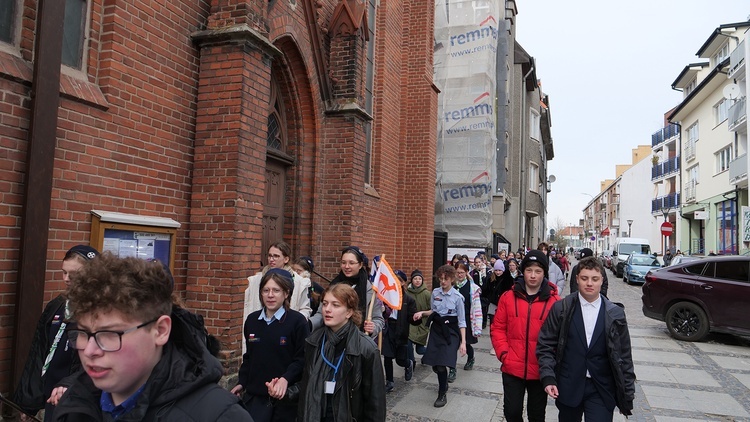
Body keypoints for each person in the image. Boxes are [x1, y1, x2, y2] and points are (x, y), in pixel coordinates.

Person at [52, 253, 251, 421]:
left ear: (160, 331)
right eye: (83, 333)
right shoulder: (74, 402)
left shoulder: (220, 415)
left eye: (110, 334)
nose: (89, 351)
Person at [536, 257, 636, 421]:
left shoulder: (615, 313)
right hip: (569, 386)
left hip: (601, 388)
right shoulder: (562, 308)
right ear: (577, 279)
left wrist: (628, 391)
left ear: (602, 280)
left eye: (594, 279)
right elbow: (545, 344)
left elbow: (624, 354)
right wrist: (548, 376)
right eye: (584, 278)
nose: (589, 283)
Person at [13, 245, 100, 422]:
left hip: (73, 400)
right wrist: (29, 401)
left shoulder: (100, 311)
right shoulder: (57, 305)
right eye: (64, 273)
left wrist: (72, 387)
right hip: (48, 396)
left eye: (74, 274)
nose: (67, 279)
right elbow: (39, 354)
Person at [293, 283, 386, 421]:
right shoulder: (314, 342)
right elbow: (306, 385)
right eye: (325, 304)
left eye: (335, 305)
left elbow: (375, 402)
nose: (327, 310)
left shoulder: (366, 349)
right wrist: (283, 393)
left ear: (349, 312)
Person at [491, 250, 560, 422]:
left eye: (538, 271)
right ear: (523, 271)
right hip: (512, 366)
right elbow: (498, 328)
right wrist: (504, 354)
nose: (533, 275)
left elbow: (559, 337)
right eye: (529, 270)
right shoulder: (508, 297)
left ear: (544, 273)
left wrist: (551, 363)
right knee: (512, 413)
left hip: (539, 370)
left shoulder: (555, 303)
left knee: (536, 416)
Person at [232, 268, 309, 421]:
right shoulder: (252, 321)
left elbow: (302, 359)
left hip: (284, 401)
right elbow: (249, 357)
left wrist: (285, 379)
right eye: (266, 290)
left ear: (286, 293)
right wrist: (242, 382)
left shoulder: (298, 322)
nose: (270, 295)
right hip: (254, 399)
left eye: (276, 290)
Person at [413, 265, 467, 408]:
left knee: (442, 364)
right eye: (440, 279)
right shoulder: (435, 292)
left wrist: (463, 342)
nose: (442, 282)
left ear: (452, 279)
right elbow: (433, 311)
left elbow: (462, 321)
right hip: (437, 330)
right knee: (436, 365)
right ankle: (442, 380)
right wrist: (422, 313)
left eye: (446, 279)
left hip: (451, 331)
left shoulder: (458, 297)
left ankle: (442, 393)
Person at [309, 246, 384, 338]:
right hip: (331, 339)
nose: (347, 266)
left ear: (360, 265)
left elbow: (378, 319)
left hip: (359, 341)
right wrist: (308, 324)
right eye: (343, 263)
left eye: (351, 263)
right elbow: (321, 314)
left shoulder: (371, 290)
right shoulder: (333, 286)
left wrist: (373, 327)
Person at [244, 241, 312, 336]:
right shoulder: (256, 280)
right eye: (270, 256)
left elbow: (305, 309)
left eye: (276, 256)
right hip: (260, 328)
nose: (271, 259)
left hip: (287, 331)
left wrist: (295, 323)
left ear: (286, 259)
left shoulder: (300, 282)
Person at [382, 270, 420, 392]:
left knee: (400, 360)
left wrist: (415, 318)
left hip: (401, 331)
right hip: (389, 329)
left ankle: (408, 363)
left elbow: (411, 317)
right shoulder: (385, 296)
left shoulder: (408, 300)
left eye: (399, 281)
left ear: (403, 283)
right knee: (387, 357)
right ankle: (389, 381)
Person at [454, 263, 482, 375]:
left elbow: (475, 306)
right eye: (457, 272)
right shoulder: (452, 285)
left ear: (466, 273)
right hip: (454, 318)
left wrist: (477, 322)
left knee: (466, 342)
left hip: (466, 318)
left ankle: (471, 358)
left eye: (462, 272)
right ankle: (452, 368)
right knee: (453, 343)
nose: (459, 275)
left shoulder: (471, 287)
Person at [406, 269, 431, 361]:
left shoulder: (427, 294)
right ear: (411, 280)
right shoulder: (407, 293)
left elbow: (433, 310)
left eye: (419, 279)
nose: (417, 281)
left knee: (420, 350)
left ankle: (432, 352)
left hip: (422, 324)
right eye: (415, 278)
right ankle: (411, 363)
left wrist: (423, 313)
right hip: (410, 323)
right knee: (408, 343)